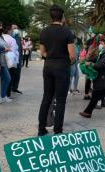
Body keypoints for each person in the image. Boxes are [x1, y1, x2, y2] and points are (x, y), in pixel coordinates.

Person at [37, 5, 76, 136]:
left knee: (46, 98)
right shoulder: (67, 32)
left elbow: (42, 53)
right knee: (60, 100)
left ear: (51, 16)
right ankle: (57, 130)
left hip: (48, 67)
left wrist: (52, 57)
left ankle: (41, 129)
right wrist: (66, 61)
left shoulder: (44, 31)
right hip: (62, 68)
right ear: (62, 17)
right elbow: (72, 55)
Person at [79, 39, 105, 119]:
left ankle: (88, 112)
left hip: (103, 79)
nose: (101, 45)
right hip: (104, 79)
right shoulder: (104, 53)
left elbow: (101, 64)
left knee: (96, 96)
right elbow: (98, 61)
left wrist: (90, 64)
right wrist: (89, 60)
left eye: (102, 44)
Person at [4, 24, 20, 98]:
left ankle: (4, 93)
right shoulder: (12, 39)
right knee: (10, 77)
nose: (15, 30)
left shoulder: (2, 37)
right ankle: (7, 94)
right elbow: (13, 51)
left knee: (5, 77)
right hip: (11, 61)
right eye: (13, 29)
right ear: (10, 30)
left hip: (4, 59)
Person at [10, 24, 23, 94]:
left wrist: (21, 59)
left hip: (19, 58)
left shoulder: (18, 37)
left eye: (17, 28)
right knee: (11, 74)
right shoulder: (9, 37)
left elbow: (20, 48)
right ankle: (10, 88)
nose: (16, 30)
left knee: (17, 74)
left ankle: (15, 87)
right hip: (12, 59)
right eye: (14, 28)